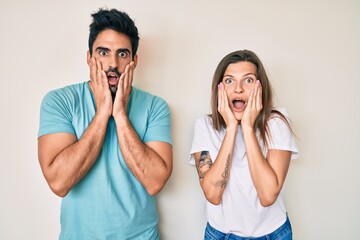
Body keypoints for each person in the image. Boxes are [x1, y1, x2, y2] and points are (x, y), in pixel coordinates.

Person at [38, 8, 173, 240]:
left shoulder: (155, 106)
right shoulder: (59, 101)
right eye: (103, 52)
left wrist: (120, 115)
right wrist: (102, 113)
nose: (113, 63)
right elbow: (59, 182)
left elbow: (154, 182)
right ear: (89, 57)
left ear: (134, 61)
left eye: (122, 54)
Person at [189, 49, 299, 240]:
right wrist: (231, 128)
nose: (238, 89)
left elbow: (268, 196)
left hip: (273, 234)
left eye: (248, 80)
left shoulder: (277, 123)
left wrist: (247, 127)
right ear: (219, 88)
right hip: (220, 234)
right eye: (229, 81)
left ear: (260, 87)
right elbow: (213, 195)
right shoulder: (204, 126)